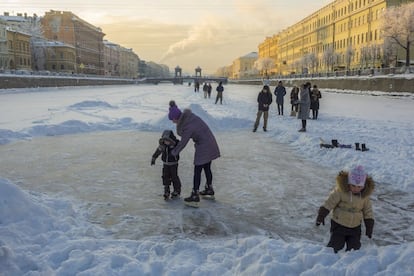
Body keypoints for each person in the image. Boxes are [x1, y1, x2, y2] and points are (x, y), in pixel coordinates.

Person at [168, 100, 221, 206]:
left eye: (172, 120)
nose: (172, 122)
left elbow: (183, 143)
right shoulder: (190, 118)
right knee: (206, 167)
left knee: (198, 169)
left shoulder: (188, 125)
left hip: (204, 145)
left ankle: (195, 195)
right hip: (210, 142)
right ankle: (209, 189)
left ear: (176, 118)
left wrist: (173, 152)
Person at [316, 165, 375, 253]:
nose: (356, 189)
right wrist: (322, 215)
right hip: (339, 224)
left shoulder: (364, 197)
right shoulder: (340, 191)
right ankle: (329, 258)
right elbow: (329, 202)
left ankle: (350, 263)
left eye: (359, 187)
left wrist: (369, 226)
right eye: (353, 185)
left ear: (363, 186)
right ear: (348, 183)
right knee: (336, 245)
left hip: (355, 227)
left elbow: (368, 211)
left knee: (354, 248)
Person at [151, 129, 182, 200]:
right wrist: (154, 158)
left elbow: (180, 145)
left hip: (174, 164)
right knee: (165, 177)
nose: (166, 142)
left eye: (168, 140)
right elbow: (158, 151)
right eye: (165, 140)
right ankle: (166, 191)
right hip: (165, 164)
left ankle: (177, 191)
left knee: (174, 177)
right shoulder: (163, 146)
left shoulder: (175, 145)